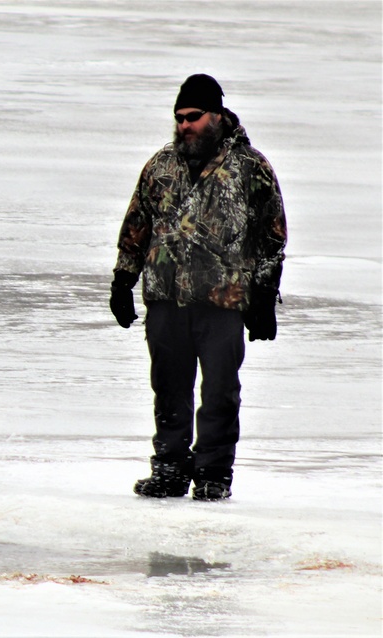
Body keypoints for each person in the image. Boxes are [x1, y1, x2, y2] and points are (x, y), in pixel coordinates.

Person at [109, 74, 287, 501]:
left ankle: (213, 472)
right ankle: (170, 468)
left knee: (220, 393)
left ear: (217, 116)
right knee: (168, 388)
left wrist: (264, 296)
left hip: (224, 302)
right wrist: (122, 279)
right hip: (166, 299)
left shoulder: (250, 167)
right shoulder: (160, 165)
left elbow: (272, 236)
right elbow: (137, 225)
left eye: (193, 117)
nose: (184, 125)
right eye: (179, 118)